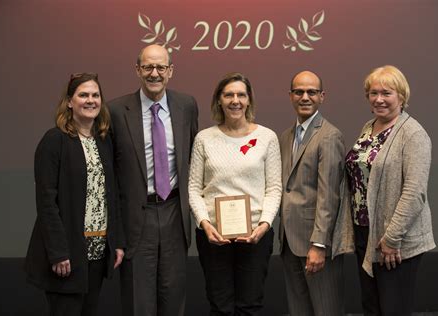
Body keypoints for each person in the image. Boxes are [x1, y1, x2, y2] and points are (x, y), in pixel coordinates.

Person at [108, 44, 199, 316]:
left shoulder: (187, 106)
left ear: (171, 71)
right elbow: (110, 173)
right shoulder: (115, 110)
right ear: (137, 70)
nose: (154, 73)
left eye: (161, 67)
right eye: (148, 67)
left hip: (174, 213)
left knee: (173, 299)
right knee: (139, 303)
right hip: (138, 217)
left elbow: (193, 157)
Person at [25, 73, 125, 316]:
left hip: (98, 251)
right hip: (68, 255)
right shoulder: (54, 141)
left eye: (95, 95)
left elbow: (111, 195)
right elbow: (46, 202)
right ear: (69, 101)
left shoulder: (103, 141)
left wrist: (117, 242)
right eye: (83, 95)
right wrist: (59, 252)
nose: (90, 100)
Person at [343, 65, 435, 315]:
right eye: (373, 93)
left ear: (401, 96)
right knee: (371, 307)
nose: (379, 99)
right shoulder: (368, 127)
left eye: (387, 93)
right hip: (367, 234)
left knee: (392, 309)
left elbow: (414, 193)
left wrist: (392, 239)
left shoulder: (413, 134)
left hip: (394, 241)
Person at [188, 72, 282, 315]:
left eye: (241, 94)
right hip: (213, 237)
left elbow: (273, 189)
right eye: (228, 94)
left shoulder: (266, 137)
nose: (235, 100)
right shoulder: (204, 139)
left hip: (255, 236)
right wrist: (204, 223)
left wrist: (264, 224)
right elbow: (194, 189)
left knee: (249, 306)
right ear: (219, 100)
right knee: (220, 307)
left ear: (249, 100)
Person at [279, 71, 345, 316]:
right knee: (299, 311)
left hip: (315, 245)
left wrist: (319, 244)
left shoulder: (329, 136)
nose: (304, 97)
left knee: (326, 309)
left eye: (311, 92)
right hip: (289, 242)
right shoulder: (286, 136)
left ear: (322, 96)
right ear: (290, 96)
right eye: (299, 92)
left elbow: (329, 196)